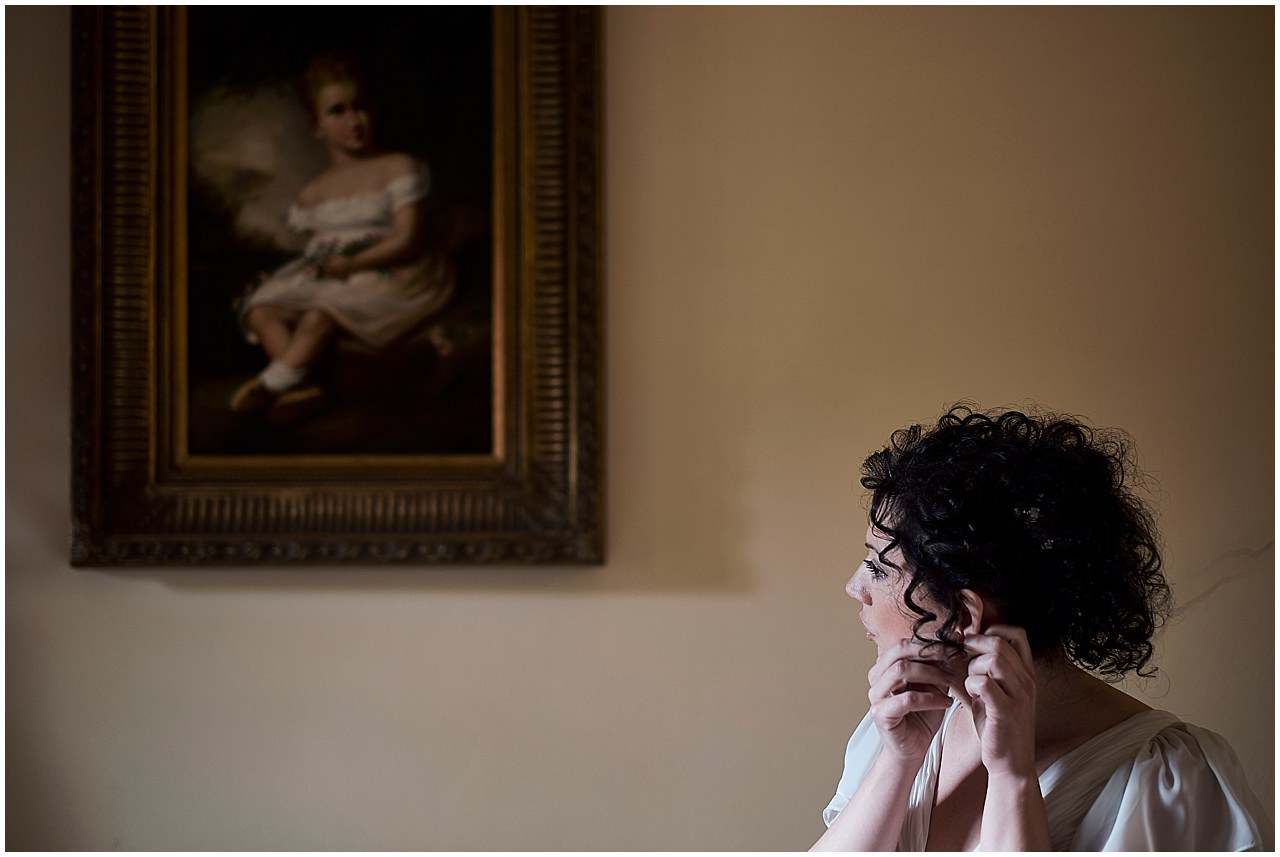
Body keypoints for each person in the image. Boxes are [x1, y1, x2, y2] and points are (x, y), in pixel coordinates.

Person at [812, 404, 1271, 851]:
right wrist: (900, 762)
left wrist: (1013, 779)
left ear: (967, 614)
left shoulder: (1168, 782)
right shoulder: (904, 721)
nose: (855, 587)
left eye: (877, 566)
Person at [230, 52, 455, 425]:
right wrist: (311, 273)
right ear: (316, 126)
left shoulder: (399, 166)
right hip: (340, 273)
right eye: (338, 111)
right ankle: (302, 389)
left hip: (396, 271)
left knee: (320, 314)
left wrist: (352, 264)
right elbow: (320, 250)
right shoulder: (313, 193)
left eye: (360, 107)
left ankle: (271, 383)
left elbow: (409, 240)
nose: (354, 121)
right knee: (261, 309)